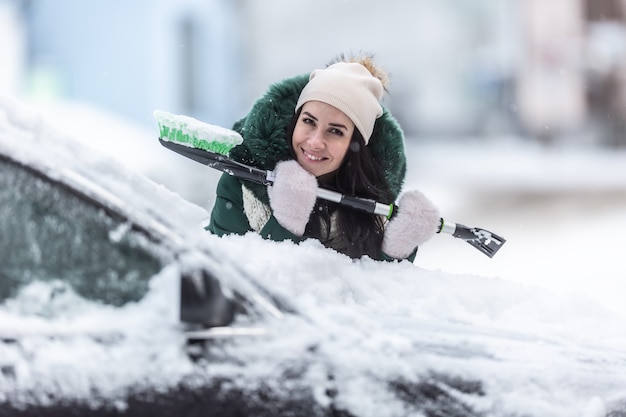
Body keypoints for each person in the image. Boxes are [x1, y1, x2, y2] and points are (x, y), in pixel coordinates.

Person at [206, 54, 440, 261]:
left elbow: (373, 301)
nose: (316, 142)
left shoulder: (375, 212)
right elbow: (226, 282)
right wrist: (286, 223)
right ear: (294, 121)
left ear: (354, 145)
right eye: (309, 121)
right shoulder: (242, 184)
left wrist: (397, 250)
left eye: (336, 131)